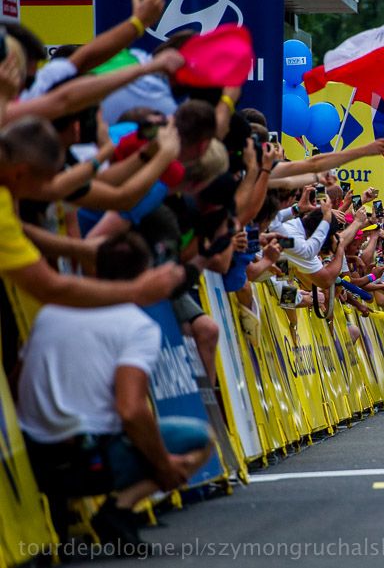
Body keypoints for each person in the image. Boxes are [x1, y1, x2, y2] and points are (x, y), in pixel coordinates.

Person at [17, 233, 213, 548]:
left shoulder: (50, 312)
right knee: (200, 439)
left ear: (95, 270)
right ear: (144, 275)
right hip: (89, 460)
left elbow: (17, 380)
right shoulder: (137, 325)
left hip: (32, 453)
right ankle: (119, 508)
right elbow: (131, 410)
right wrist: (164, 465)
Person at [0, 117, 184, 309]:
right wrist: (136, 291)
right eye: (46, 182)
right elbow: (50, 288)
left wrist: (78, 249)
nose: (52, 190)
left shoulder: (11, 183)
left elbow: (21, 229)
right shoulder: (4, 206)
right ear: (20, 173)